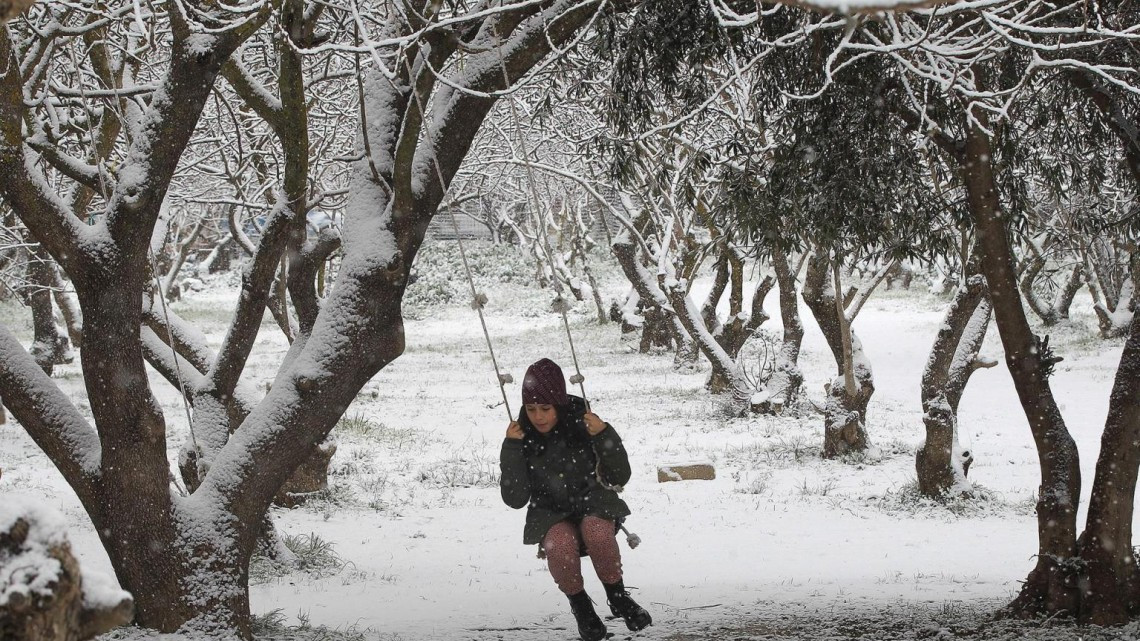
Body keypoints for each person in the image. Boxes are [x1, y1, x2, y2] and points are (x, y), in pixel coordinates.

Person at [500, 358, 652, 641]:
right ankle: (582, 608)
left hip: (593, 502)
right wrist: (511, 448)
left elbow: (620, 476)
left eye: (545, 408)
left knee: (596, 532)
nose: (538, 417)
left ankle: (618, 597)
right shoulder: (522, 436)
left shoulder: (585, 425)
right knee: (559, 545)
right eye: (531, 409)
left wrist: (605, 433)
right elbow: (515, 498)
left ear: (558, 404)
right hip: (549, 511)